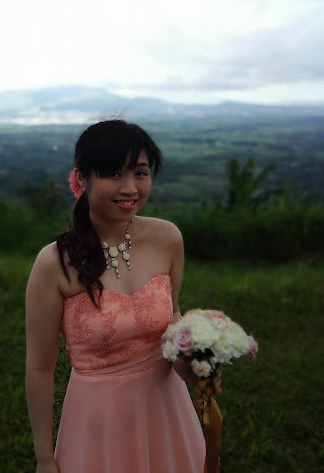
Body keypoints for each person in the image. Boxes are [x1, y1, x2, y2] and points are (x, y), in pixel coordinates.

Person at [25, 119, 206, 473]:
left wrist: (195, 363)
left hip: (168, 411)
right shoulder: (54, 263)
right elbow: (40, 368)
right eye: (113, 174)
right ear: (82, 179)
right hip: (99, 422)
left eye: (140, 173)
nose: (130, 188)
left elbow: (172, 319)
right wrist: (44, 459)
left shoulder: (168, 238)